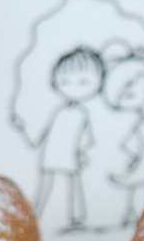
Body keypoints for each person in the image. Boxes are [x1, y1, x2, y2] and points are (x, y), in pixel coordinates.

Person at [34, 47, 104, 230]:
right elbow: (47, 132)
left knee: (72, 183)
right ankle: (36, 212)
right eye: (65, 81)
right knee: (47, 182)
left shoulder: (81, 112)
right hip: (51, 152)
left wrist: (83, 152)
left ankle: (76, 216)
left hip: (69, 154)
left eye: (83, 82)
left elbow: (87, 137)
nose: (73, 86)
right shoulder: (60, 111)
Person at [102, 53, 144, 227]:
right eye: (131, 94)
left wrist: (130, 152)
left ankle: (141, 218)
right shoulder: (143, 122)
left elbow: (133, 142)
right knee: (139, 190)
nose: (142, 97)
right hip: (143, 161)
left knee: (143, 190)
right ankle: (136, 216)